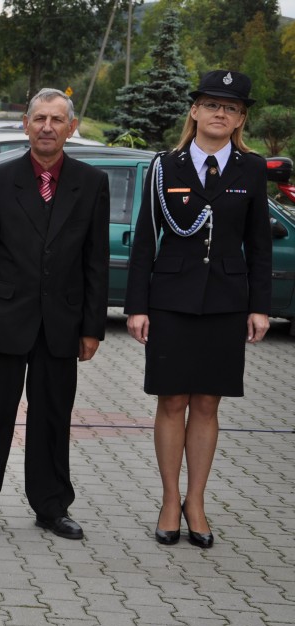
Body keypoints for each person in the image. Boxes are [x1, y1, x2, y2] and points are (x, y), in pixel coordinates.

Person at [124, 71, 271, 548]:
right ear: (194, 111)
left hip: (227, 302)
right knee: (172, 402)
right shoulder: (165, 166)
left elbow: (259, 245)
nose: (220, 114)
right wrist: (137, 306)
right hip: (171, 301)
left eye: (230, 108)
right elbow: (146, 240)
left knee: (208, 403)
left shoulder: (251, 169)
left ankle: (197, 502)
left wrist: (260, 307)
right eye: (211, 105)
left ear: (240, 119)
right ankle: (170, 500)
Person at [0, 88, 110, 540]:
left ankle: (51, 507)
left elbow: (95, 261)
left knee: (52, 418)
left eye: (56, 120)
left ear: (71, 128)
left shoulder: (91, 183)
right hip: (2, 321)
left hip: (61, 324)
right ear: (25, 124)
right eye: (39, 118)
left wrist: (92, 328)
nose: (47, 127)